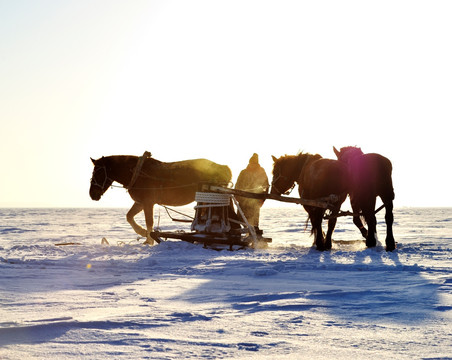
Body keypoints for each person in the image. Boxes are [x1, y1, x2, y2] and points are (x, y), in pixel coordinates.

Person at [234, 153, 269, 229]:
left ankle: (254, 233)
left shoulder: (261, 172)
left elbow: (266, 186)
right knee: (240, 218)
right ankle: (243, 232)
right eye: (251, 163)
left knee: (254, 220)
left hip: (255, 201)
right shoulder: (243, 172)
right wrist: (236, 195)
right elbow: (238, 184)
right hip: (243, 200)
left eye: (254, 163)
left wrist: (262, 199)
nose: (252, 165)